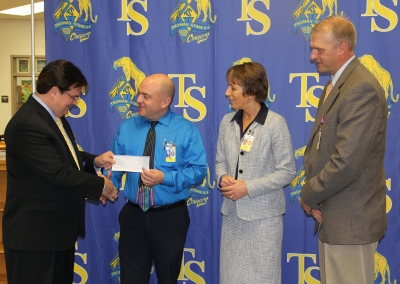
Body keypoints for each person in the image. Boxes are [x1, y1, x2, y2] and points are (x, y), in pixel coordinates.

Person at [2, 59, 119, 284]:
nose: (74, 103)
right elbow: (57, 172)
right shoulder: (27, 124)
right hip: (34, 239)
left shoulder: (52, 117)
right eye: (73, 96)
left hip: (56, 234)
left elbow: (68, 158)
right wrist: (101, 185)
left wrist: (95, 161)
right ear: (54, 91)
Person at [300, 15, 387, 283]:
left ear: (342, 48)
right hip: (333, 217)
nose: (313, 56)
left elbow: (347, 161)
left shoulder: (360, 87)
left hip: (350, 222)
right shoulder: (335, 84)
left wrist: (309, 194)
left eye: (319, 49)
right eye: (312, 48)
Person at [110, 73, 207, 283]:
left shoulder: (186, 130)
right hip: (133, 216)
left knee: (167, 278)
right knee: (131, 279)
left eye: (145, 96)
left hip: (169, 218)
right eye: (139, 94)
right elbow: (115, 166)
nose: (138, 100)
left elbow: (199, 171)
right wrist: (109, 184)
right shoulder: (126, 127)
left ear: (165, 101)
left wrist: (166, 177)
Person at [215, 62, 296, 283]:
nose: (227, 93)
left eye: (233, 87)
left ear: (250, 91)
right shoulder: (227, 122)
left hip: (264, 220)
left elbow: (287, 171)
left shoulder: (275, 124)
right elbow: (220, 161)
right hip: (232, 216)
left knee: (263, 278)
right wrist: (223, 178)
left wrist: (248, 187)